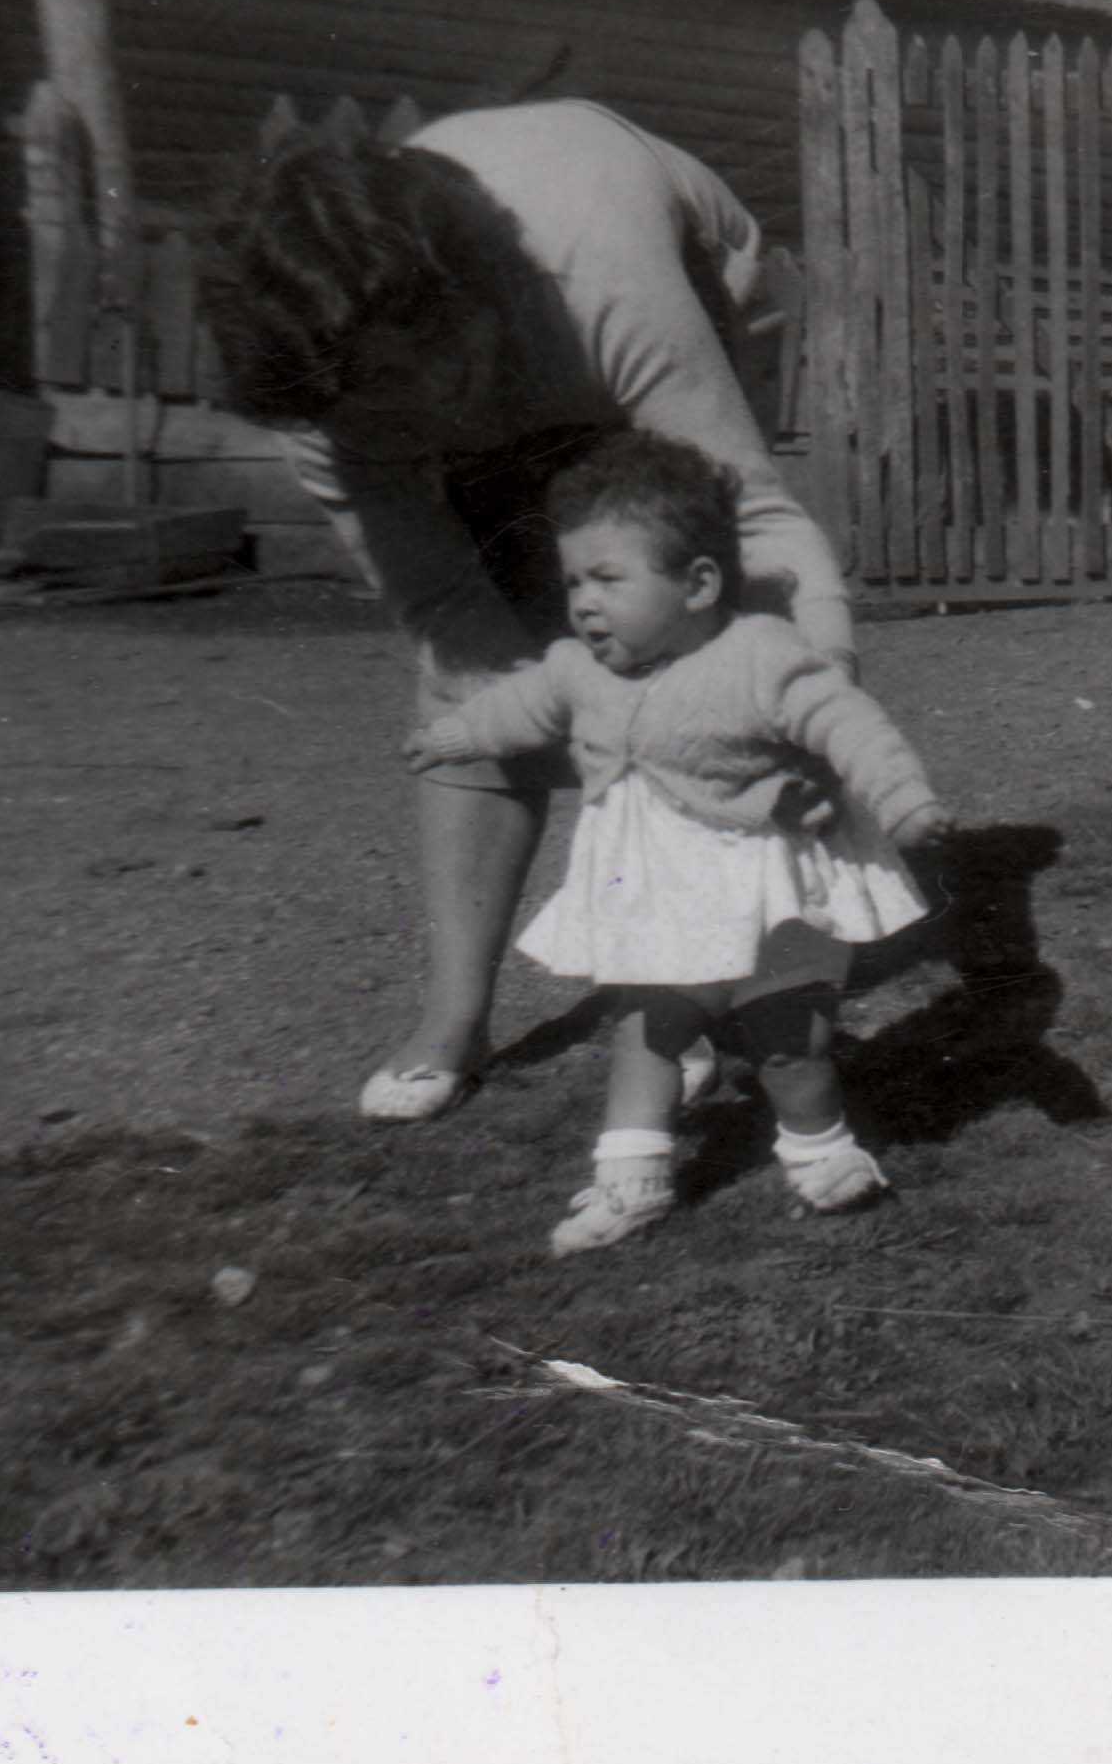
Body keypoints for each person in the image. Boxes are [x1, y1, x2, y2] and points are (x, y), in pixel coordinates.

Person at [200, 100, 854, 1124]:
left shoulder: (604, 281)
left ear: (456, 308)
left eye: (402, 392)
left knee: (676, 626)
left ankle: (708, 984)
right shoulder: (319, 400)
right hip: (507, 337)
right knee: (478, 684)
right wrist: (594, 730)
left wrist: (811, 685)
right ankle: (453, 1019)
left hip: (689, 276)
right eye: (371, 414)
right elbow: (450, 615)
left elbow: (752, 518)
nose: (402, 429)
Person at [404, 431, 947, 1251]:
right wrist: (454, 738)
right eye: (574, 581)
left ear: (696, 584)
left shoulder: (760, 655)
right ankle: (632, 1180)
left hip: (759, 889)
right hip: (655, 889)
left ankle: (820, 1150)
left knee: (788, 1041)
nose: (584, 602)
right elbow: (519, 707)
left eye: (608, 580)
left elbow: (846, 722)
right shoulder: (576, 669)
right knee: (651, 1025)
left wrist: (902, 798)